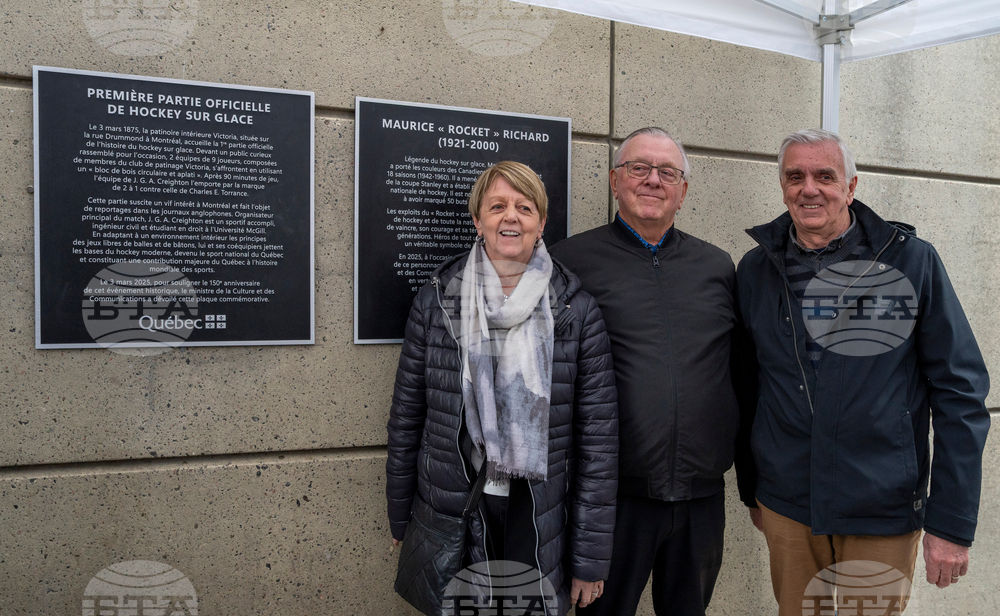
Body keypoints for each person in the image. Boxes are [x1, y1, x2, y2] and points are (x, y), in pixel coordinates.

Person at [734, 128, 990, 615]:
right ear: (783, 186)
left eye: (825, 176)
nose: (809, 188)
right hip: (789, 503)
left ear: (851, 187)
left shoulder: (910, 263)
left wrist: (951, 523)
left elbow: (960, 394)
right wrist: (754, 490)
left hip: (881, 505)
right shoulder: (756, 271)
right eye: (795, 176)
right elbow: (749, 386)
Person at [386, 160, 619, 614]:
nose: (510, 216)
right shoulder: (437, 301)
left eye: (524, 207)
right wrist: (402, 516)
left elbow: (598, 443)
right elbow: (407, 416)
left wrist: (590, 560)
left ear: (541, 223)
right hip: (453, 509)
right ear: (478, 221)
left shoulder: (577, 310)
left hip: (538, 515)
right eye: (497, 206)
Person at [549, 127, 740, 616]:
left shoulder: (717, 267)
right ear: (615, 181)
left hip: (700, 499)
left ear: (684, 190)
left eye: (667, 172)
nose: (653, 180)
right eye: (639, 168)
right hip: (613, 501)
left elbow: (741, 372)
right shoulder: (570, 263)